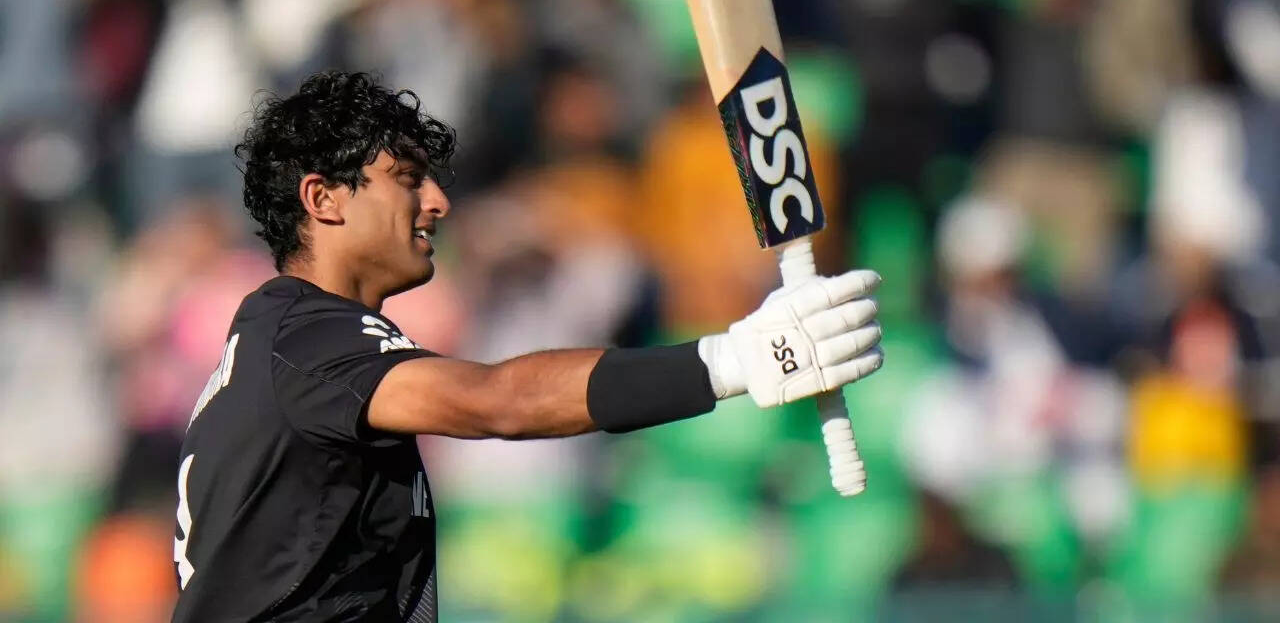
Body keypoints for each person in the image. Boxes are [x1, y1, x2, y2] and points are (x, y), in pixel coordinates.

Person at [170, 71, 885, 622]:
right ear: (323, 199)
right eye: (407, 180)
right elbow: (498, 402)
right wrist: (735, 361)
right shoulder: (309, 335)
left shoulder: (285, 338)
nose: (437, 202)